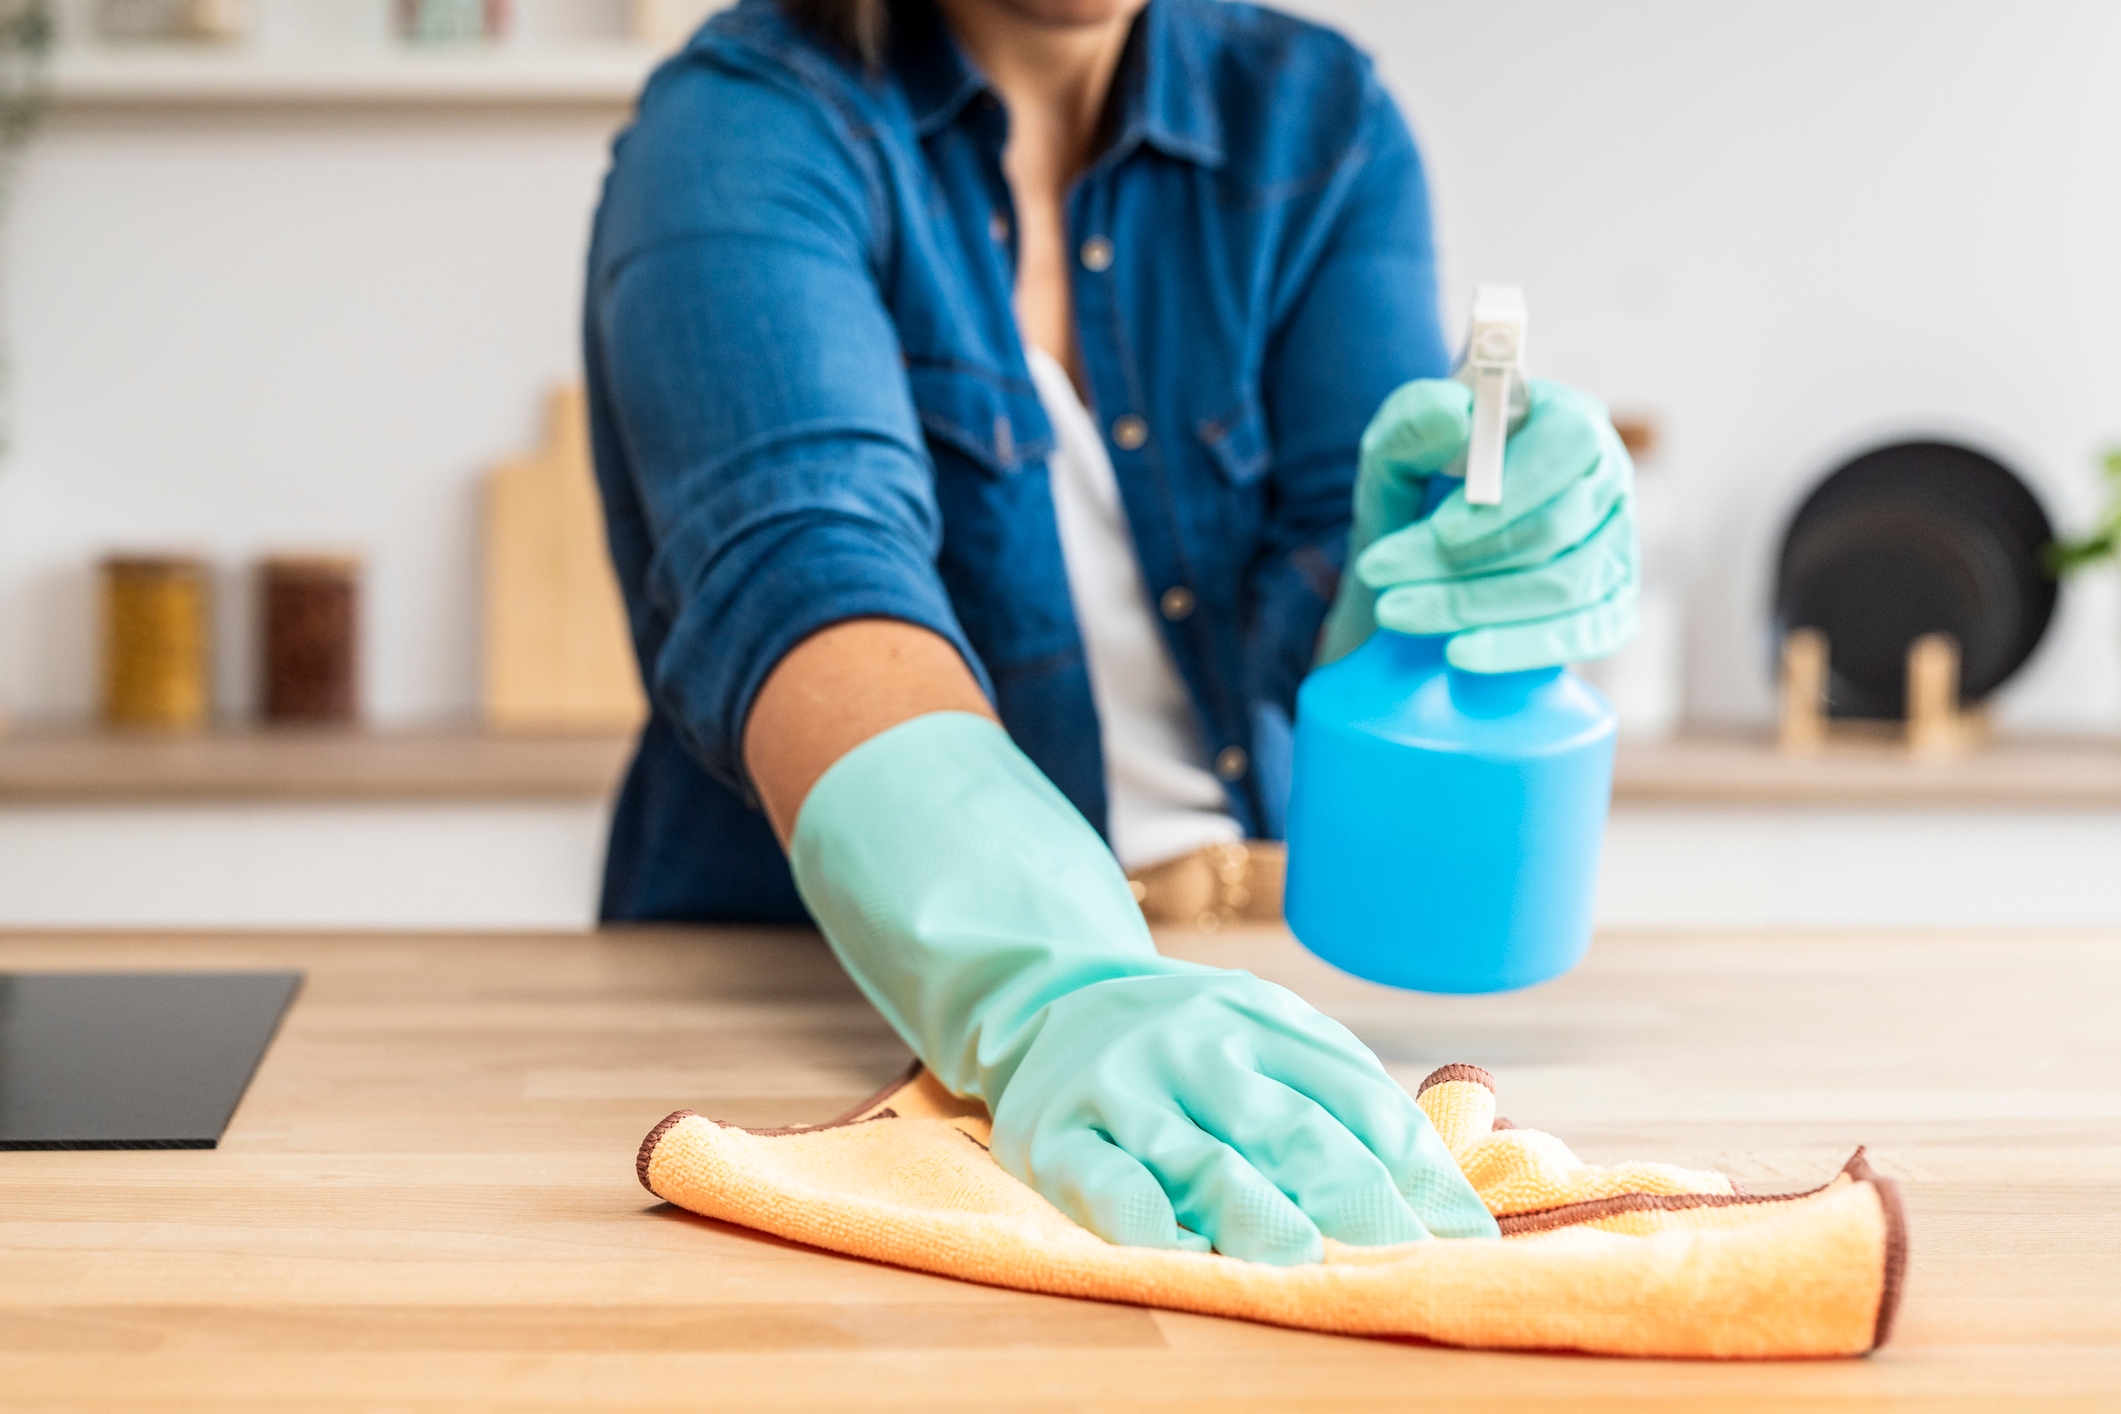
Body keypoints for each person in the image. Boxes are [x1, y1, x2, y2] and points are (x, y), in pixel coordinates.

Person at [585, 0, 1637, 1264]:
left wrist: (1446, 572)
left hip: (1241, 993)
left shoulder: (1315, 118)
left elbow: (1328, 634)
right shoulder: (744, 125)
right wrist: (1062, 984)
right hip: (835, 1010)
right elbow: (802, 573)